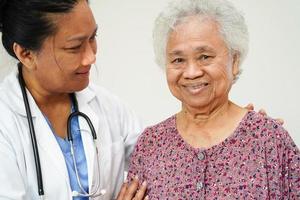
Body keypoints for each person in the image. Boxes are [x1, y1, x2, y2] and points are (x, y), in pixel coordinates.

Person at [127, 0, 300, 199]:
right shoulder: (150, 145)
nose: (191, 72)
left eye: (205, 57)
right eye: (178, 60)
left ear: (234, 61)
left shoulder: (268, 139)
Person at [0, 0, 148, 199]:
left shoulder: (108, 106)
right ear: (26, 54)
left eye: (93, 37)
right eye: (74, 47)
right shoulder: (5, 122)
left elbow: (158, 163)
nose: (90, 57)